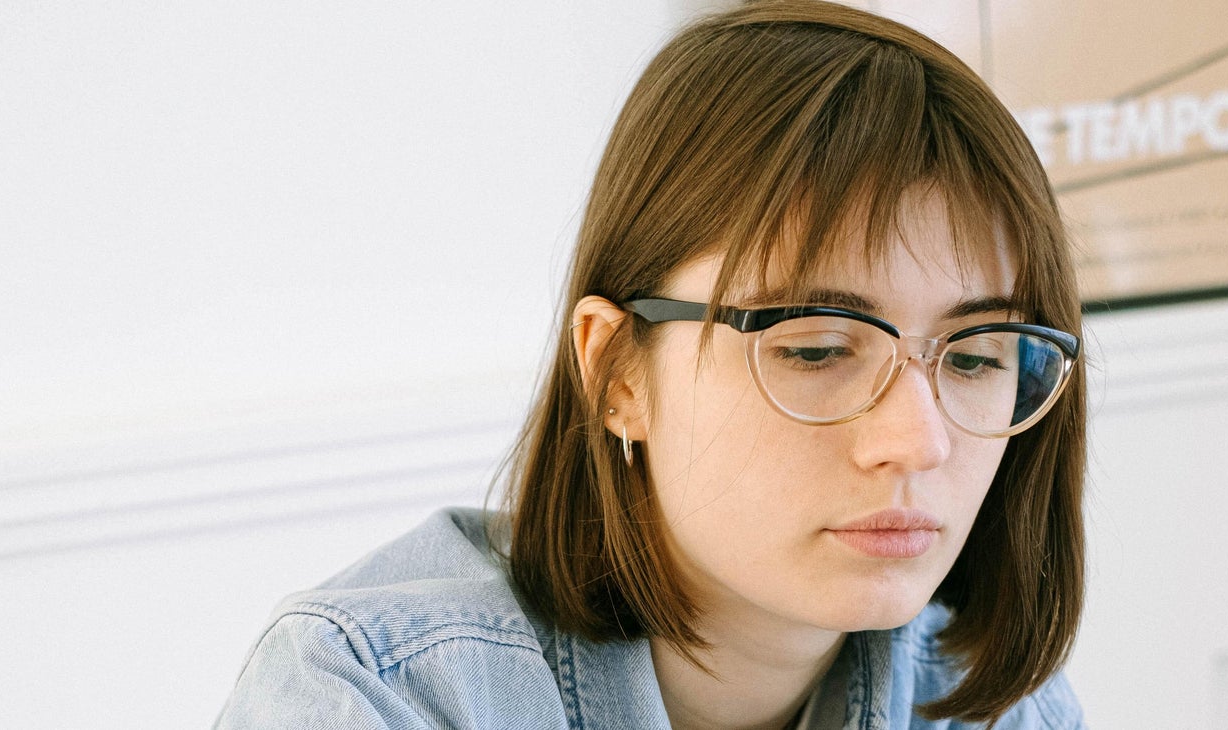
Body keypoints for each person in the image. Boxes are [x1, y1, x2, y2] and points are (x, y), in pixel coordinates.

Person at [215, 1, 1087, 727]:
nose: (918, 441)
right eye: (816, 348)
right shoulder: (376, 692)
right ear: (618, 372)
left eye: (978, 358)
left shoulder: (986, 706)